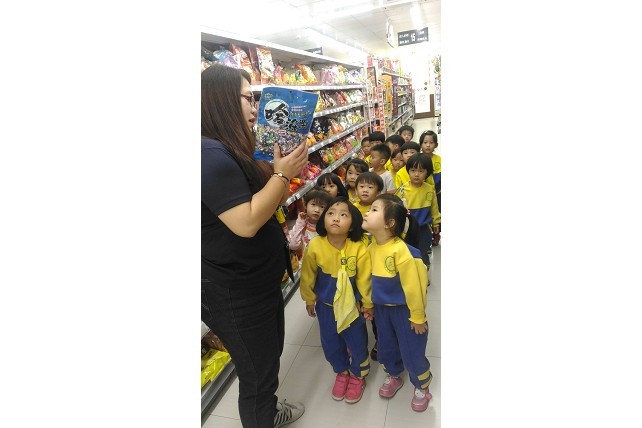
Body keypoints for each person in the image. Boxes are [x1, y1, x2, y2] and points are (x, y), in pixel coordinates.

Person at [201, 63, 308, 428]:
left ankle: (268, 410)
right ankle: (264, 415)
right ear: (221, 100)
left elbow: (262, 199)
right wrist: (282, 174)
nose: (254, 107)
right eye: (248, 98)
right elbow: (246, 222)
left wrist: (279, 165)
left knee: (266, 358)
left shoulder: (230, 145)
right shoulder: (208, 154)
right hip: (234, 289)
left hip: (254, 281)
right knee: (257, 374)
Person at [362, 194, 433, 412]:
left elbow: (415, 289)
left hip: (406, 312)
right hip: (383, 310)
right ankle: (394, 374)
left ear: (389, 223)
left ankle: (421, 386)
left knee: (412, 348)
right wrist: (369, 304)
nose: (367, 213)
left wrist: (418, 317)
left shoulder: (403, 253)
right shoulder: (372, 247)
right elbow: (367, 280)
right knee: (386, 345)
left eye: (374, 210)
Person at [299, 197, 373, 404]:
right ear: (323, 220)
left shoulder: (359, 248)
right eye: (330, 213)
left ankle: (358, 374)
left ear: (353, 225)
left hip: (352, 307)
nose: (335, 218)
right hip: (326, 306)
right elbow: (307, 275)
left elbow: (365, 279)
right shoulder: (315, 245)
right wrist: (309, 299)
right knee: (330, 342)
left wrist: (368, 303)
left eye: (343, 215)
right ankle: (342, 371)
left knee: (357, 341)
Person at [395, 154, 440, 266]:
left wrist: (436, 223)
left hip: (424, 228)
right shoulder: (402, 190)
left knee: (423, 251)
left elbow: (434, 208)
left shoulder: (429, 189)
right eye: (413, 170)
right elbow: (396, 210)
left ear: (427, 173)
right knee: (408, 252)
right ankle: (412, 271)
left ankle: (424, 270)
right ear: (408, 171)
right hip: (407, 229)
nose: (416, 174)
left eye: (421, 171)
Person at [419, 130, 442, 230]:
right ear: (420, 144)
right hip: (423, 193)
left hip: (438, 192)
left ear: (436, 145)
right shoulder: (418, 159)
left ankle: (437, 231)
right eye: (425, 142)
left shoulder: (439, 159)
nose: (428, 145)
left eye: (431, 143)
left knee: (438, 211)